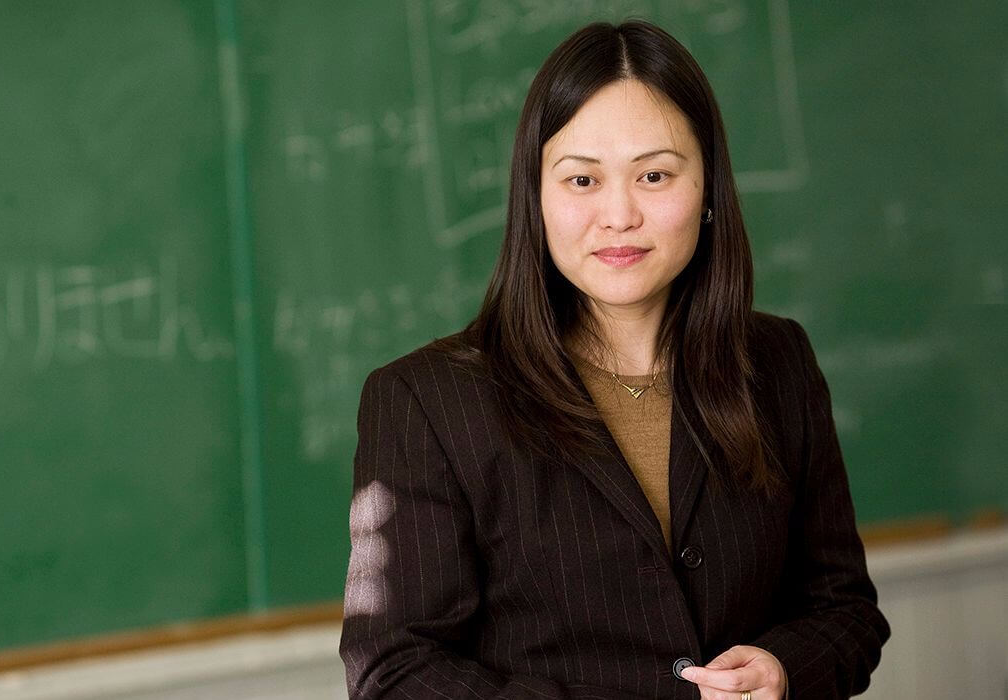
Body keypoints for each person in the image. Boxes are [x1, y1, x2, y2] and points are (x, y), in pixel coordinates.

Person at [339, 19, 889, 700]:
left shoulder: (779, 361)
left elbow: (845, 610)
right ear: (536, 198)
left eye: (655, 175)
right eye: (582, 180)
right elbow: (394, 670)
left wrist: (783, 668)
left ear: (709, 190)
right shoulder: (425, 400)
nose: (619, 214)